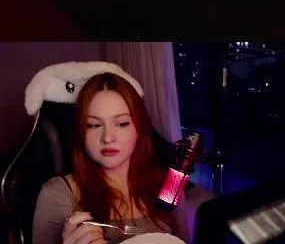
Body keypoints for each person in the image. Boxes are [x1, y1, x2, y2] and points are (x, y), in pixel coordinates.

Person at [32, 73, 210, 244]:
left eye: (122, 123)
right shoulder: (57, 195)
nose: (108, 137)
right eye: (93, 125)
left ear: (139, 128)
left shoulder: (170, 183)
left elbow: (183, 240)